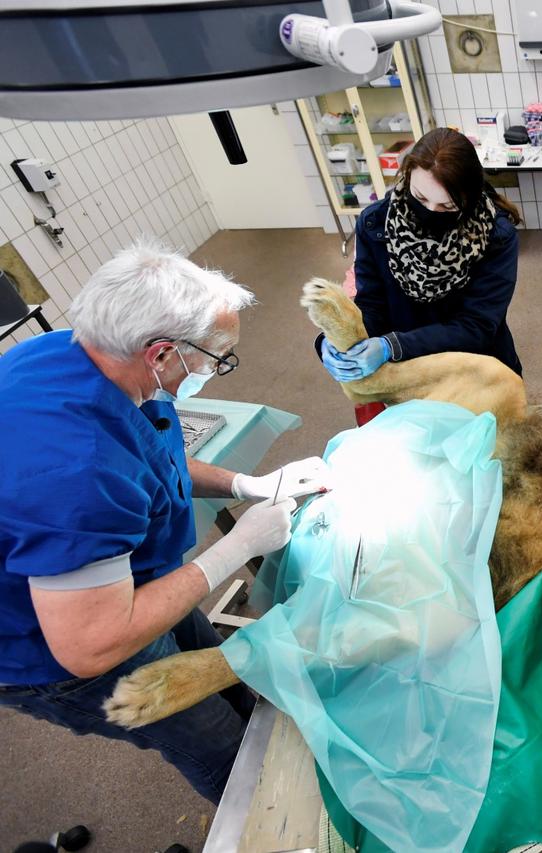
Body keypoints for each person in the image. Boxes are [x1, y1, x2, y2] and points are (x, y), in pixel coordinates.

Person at [0, 243, 331, 802]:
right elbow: (91, 646)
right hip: (56, 645)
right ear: (160, 353)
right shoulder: (76, 472)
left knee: (221, 667)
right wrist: (233, 550)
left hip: (131, 578)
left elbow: (150, 455)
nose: (215, 368)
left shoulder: (81, 352)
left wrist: (244, 484)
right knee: (222, 748)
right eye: (215, 355)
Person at [319, 128, 524, 421]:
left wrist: (390, 346)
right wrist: (337, 340)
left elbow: (476, 326)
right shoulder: (377, 224)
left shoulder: (494, 235)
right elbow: (372, 304)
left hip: (473, 369)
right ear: (407, 175)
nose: (430, 211)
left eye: (447, 206)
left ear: (470, 196)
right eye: (420, 197)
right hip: (406, 374)